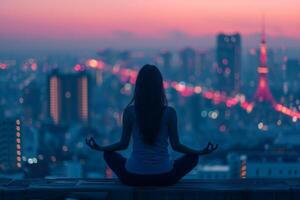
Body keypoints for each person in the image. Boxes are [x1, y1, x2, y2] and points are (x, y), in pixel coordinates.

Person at [86, 64, 218, 186]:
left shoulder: (130, 112)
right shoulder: (169, 113)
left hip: (133, 177)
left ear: (138, 87)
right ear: (160, 87)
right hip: (164, 177)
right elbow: (176, 145)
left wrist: (101, 148)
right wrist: (199, 152)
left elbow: (123, 144)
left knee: (108, 154)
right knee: (193, 158)